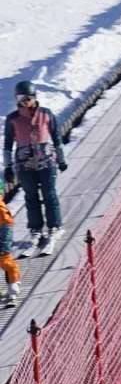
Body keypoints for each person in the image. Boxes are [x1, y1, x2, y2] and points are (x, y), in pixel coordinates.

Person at [6, 83, 66, 260]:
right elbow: (7, 144)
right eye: (21, 98)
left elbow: (56, 137)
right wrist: (8, 166)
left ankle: (54, 226)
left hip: (46, 161)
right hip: (25, 164)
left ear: (35, 97)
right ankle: (36, 228)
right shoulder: (13, 119)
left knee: (49, 194)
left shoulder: (46, 114)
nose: (25, 101)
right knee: (31, 196)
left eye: (28, 98)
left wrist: (61, 158)